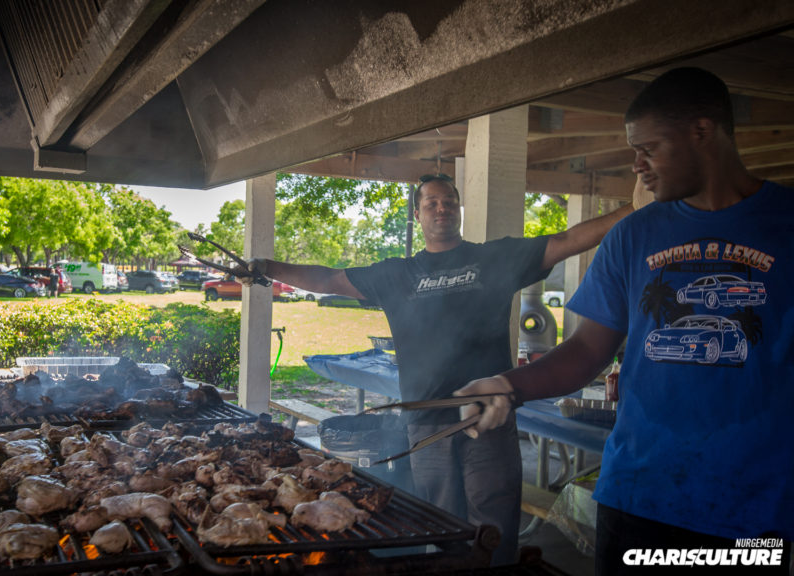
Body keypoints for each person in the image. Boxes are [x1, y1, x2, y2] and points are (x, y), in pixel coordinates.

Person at [458, 67, 793, 573]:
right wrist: (507, 384)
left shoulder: (787, 226)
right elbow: (587, 351)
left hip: (753, 508)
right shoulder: (633, 235)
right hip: (639, 494)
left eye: (649, 148)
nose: (637, 164)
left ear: (702, 133)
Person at [238, 171, 639, 564]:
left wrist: (633, 208)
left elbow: (566, 241)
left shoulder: (494, 259)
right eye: (431, 202)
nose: (441, 208)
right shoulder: (396, 274)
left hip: (488, 418)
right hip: (426, 424)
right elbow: (327, 278)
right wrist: (268, 268)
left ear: (459, 210)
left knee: (492, 527)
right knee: (439, 524)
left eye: (449, 201)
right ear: (418, 215)